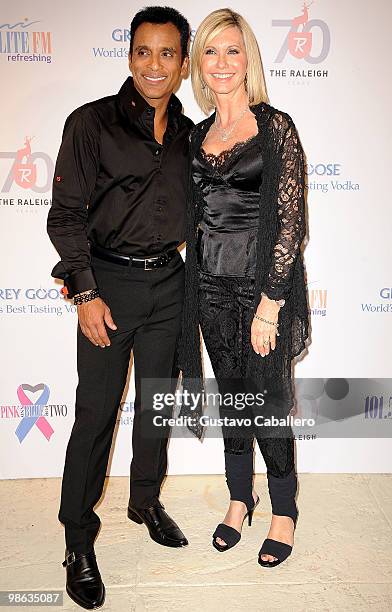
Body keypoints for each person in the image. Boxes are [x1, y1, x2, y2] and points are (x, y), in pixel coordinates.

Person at [47, 6, 193, 609]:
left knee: (156, 406)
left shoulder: (190, 133)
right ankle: (78, 540)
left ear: (183, 64)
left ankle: (144, 500)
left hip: (171, 286)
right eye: (143, 52)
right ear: (129, 55)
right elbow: (65, 215)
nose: (153, 65)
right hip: (108, 285)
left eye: (166, 54)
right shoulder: (90, 124)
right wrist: (84, 293)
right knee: (95, 415)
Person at [178, 8, 309, 567]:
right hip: (207, 290)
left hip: (260, 296)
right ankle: (239, 498)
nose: (222, 62)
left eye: (233, 50)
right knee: (234, 403)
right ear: (199, 65)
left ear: (247, 59)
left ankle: (283, 511)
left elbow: (291, 223)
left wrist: (270, 304)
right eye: (211, 51)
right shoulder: (195, 136)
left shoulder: (276, 126)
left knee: (269, 405)